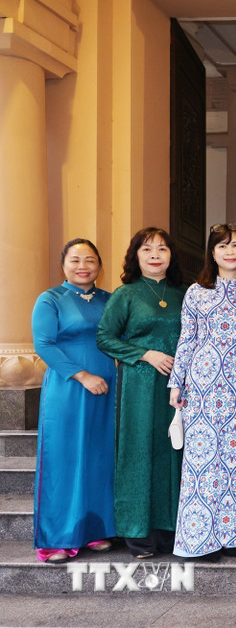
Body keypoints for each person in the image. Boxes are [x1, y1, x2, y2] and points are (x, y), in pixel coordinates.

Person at [168, 223, 236, 561]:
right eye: (222, 246)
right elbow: (187, 339)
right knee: (203, 462)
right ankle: (203, 539)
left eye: (235, 244)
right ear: (211, 252)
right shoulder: (196, 292)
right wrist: (176, 383)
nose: (229, 251)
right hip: (204, 385)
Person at [97, 228, 186, 559]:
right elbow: (105, 338)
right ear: (135, 255)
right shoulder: (126, 294)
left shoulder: (183, 294)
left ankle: (170, 530)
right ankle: (138, 534)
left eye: (162, 249)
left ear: (171, 256)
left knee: (172, 453)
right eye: (147, 249)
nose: (155, 255)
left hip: (177, 388)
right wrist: (146, 354)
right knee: (138, 453)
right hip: (138, 386)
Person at [31, 239, 117, 563]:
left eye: (90, 259)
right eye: (76, 259)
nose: (83, 265)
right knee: (64, 458)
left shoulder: (110, 299)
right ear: (63, 264)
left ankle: (94, 531)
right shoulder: (51, 299)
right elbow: (44, 344)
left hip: (107, 391)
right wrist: (83, 376)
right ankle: (56, 539)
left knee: (99, 457)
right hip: (68, 389)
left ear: (99, 265)